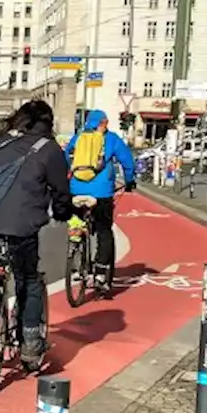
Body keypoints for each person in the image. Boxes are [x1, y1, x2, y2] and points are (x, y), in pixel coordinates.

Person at [0, 100, 72, 368]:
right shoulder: (50, 149)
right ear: (48, 123)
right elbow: (61, 191)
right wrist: (63, 212)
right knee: (28, 278)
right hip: (22, 226)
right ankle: (30, 344)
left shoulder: (0, 142)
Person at [64, 109, 137, 294]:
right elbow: (127, 161)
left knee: (77, 221)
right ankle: (101, 274)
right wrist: (129, 180)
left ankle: (75, 253)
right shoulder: (111, 139)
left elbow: (66, 157)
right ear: (103, 123)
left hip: (76, 190)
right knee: (104, 231)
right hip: (101, 193)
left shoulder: (78, 138)